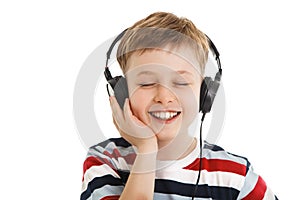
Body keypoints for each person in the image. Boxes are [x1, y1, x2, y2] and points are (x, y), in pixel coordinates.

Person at [80, 12, 278, 200]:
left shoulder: (235, 174)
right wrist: (147, 148)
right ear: (122, 92)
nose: (164, 97)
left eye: (182, 82)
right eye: (147, 83)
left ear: (205, 93)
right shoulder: (105, 161)